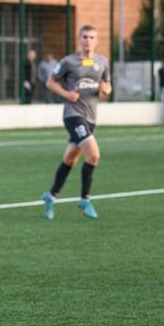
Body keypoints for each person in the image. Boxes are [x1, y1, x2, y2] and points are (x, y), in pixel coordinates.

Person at [40, 24, 111, 220]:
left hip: (91, 117)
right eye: (85, 37)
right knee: (94, 155)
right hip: (73, 115)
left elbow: (106, 84)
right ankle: (85, 199)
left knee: (70, 158)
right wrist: (66, 94)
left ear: (96, 41)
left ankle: (51, 195)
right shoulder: (68, 62)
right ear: (79, 39)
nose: (88, 41)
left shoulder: (102, 61)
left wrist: (107, 90)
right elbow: (50, 82)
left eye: (91, 37)